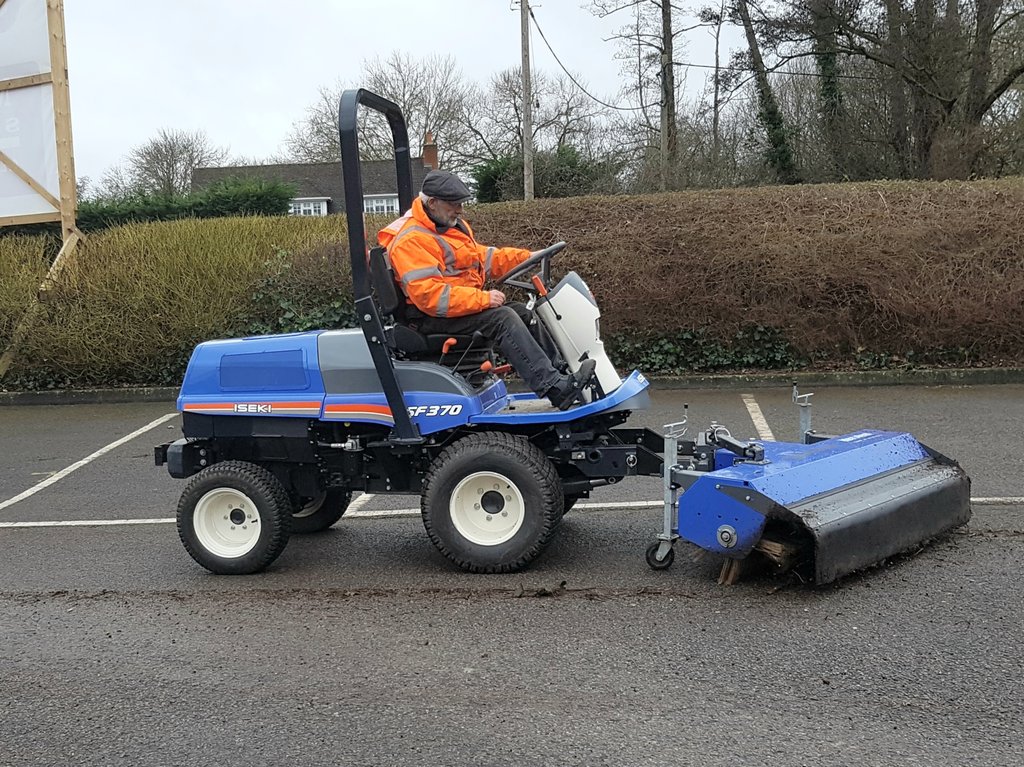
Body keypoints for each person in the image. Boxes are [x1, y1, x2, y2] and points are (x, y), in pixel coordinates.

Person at [379, 169, 594, 410]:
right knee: (502, 318)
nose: (460, 210)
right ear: (432, 203)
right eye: (454, 204)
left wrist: (527, 258)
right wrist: (482, 299)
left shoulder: (447, 229)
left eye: (461, 203)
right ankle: (554, 388)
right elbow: (430, 296)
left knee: (522, 313)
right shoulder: (413, 241)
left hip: (451, 309)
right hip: (429, 317)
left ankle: (561, 374)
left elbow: (483, 257)